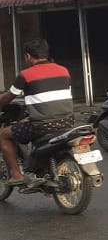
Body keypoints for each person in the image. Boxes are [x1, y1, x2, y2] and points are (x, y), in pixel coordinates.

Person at [0, 39, 75, 189]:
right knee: (27, 122)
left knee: (3, 134)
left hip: (42, 125)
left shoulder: (25, 74)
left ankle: (17, 175)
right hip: (68, 121)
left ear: (28, 56)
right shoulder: (63, 70)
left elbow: (8, 97)